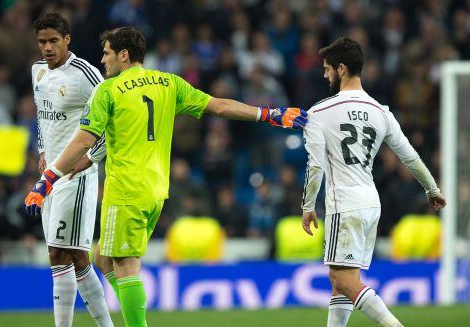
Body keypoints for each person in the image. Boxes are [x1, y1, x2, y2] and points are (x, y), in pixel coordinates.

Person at [24, 26, 307, 327]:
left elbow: (82, 141)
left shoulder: (107, 91)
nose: (103, 60)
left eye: (106, 53)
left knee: (125, 266)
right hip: (157, 192)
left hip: (126, 191)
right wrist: (269, 114)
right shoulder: (169, 83)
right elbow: (219, 106)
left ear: (123, 54)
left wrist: (47, 180)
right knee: (103, 259)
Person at [300, 37, 446, 327]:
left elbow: (315, 164)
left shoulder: (318, 113)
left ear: (342, 69)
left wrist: (307, 204)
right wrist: (432, 188)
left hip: (345, 203)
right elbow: (410, 157)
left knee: (342, 278)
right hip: (370, 203)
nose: (324, 74)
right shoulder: (381, 111)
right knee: (340, 280)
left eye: (327, 68)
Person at [25, 13, 113, 327]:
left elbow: (111, 117)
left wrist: (91, 157)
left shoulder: (85, 74)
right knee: (76, 259)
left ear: (67, 40)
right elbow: (40, 115)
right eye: (41, 42)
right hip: (50, 177)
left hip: (76, 178)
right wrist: (43, 149)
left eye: (53, 41)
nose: (47, 48)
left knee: (56, 254)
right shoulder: (37, 71)